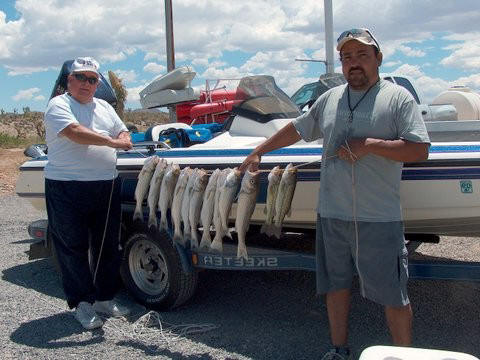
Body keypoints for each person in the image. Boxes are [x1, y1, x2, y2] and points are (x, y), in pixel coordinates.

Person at [239, 29, 430, 359]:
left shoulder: (398, 98)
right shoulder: (330, 99)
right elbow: (298, 128)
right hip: (331, 215)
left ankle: (406, 356)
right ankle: (338, 350)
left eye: (362, 55)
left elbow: (420, 150)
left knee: (393, 296)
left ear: (378, 58)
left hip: (379, 218)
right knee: (335, 287)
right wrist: (259, 150)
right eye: (347, 57)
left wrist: (371, 145)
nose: (353, 63)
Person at [44, 57, 133, 330]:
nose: (86, 83)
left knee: (107, 245)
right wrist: (113, 142)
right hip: (66, 185)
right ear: (68, 80)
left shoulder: (105, 106)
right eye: (80, 77)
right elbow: (75, 132)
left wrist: (125, 136)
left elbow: (122, 128)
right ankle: (82, 303)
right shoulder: (58, 104)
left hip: (105, 184)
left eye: (92, 79)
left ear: (98, 84)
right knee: (73, 247)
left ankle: (104, 298)